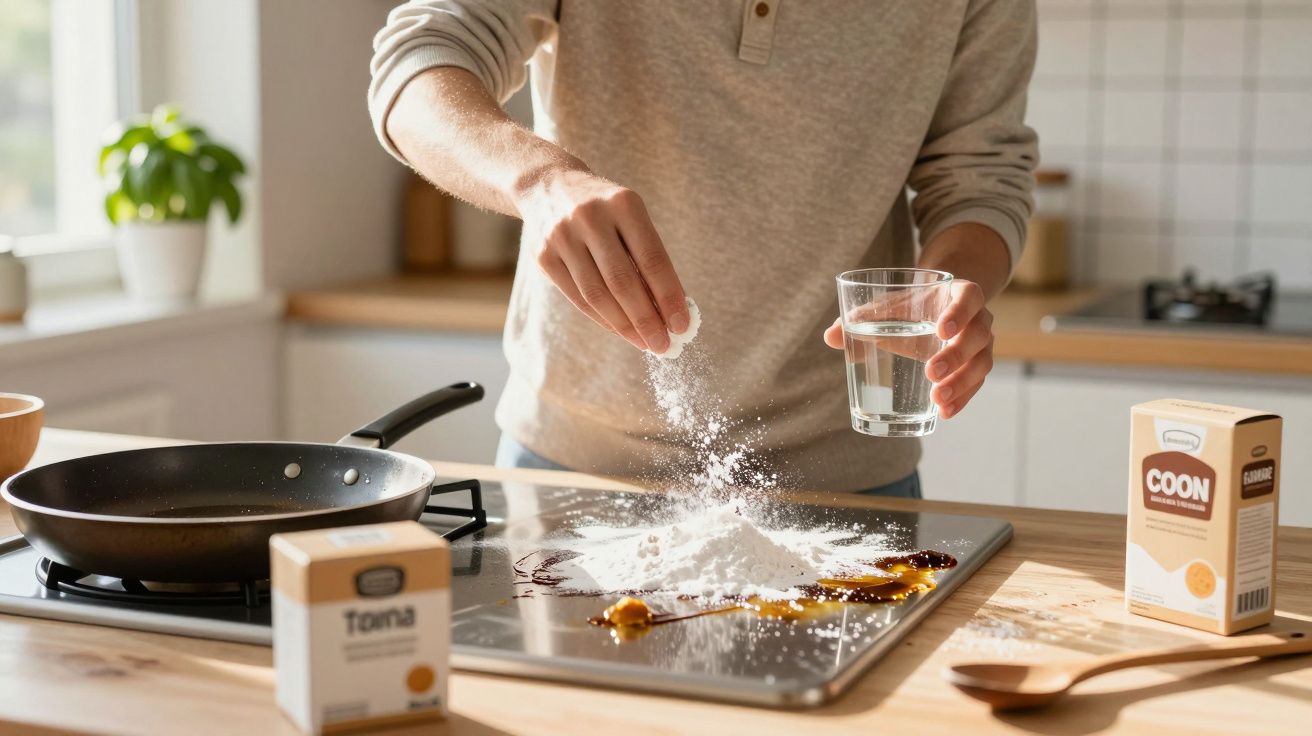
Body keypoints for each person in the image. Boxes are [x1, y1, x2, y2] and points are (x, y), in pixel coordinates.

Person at [369, 1, 1037, 497]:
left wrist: (949, 284)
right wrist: (540, 181)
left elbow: (981, 177)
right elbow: (419, 61)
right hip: (570, 470)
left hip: (849, 482)